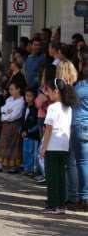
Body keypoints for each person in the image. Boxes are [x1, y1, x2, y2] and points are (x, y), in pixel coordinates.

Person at [40, 78, 76, 214]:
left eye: (48, 91)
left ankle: (52, 204)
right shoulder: (69, 107)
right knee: (61, 176)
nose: (47, 94)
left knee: (52, 177)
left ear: (55, 91)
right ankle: (61, 205)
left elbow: (48, 130)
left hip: (53, 146)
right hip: (64, 145)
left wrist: (43, 148)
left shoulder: (52, 107)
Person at [0, 82, 25, 173]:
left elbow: (15, 115)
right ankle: (0, 163)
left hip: (14, 125)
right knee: (3, 144)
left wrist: (6, 115)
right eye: (10, 89)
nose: (10, 91)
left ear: (18, 89)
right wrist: (6, 113)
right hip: (6, 125)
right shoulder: (9, 99)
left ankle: (13, 165)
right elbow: (3, 109)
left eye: (12, 89)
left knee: (13, 145)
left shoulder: (21, 101)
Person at [72, 51, 88, 211]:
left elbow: (69, 101)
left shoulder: (81, 87)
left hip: (81, 125)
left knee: (82, 163)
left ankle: (84, 197)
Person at [21, 87, 40, 177]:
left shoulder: (35, 109)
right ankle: (27, 168)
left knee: (32, 152)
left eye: (30, 96)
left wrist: (28, 132)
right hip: (25, 134)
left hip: (32, 135)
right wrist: (22, 130)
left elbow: (36, 124)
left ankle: (32, 169)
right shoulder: (25, 107)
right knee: (25, 152)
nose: (27, 98)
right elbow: (23, 121)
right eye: (26, 95)